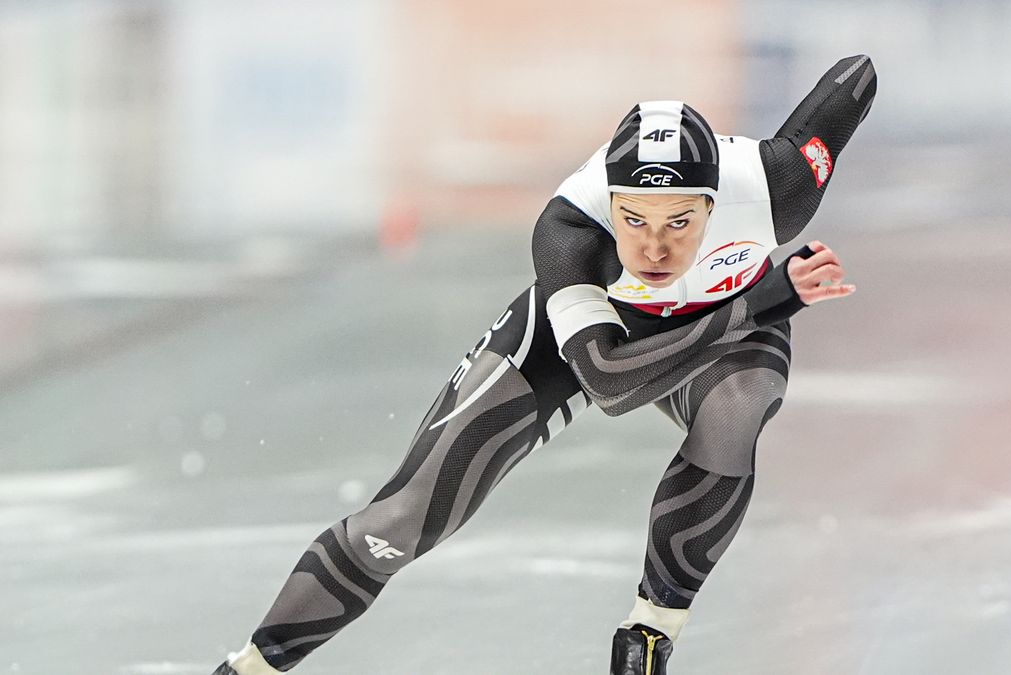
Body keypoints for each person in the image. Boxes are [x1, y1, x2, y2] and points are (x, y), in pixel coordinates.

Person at [212, 54, 877, 675]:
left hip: (729, 318)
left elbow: (853, 82)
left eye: (681, 222)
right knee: (404, 517)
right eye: (635, 219)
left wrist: (752, 306)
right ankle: (249, 667)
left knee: (739, 400)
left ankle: (647, 634)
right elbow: (610, 382)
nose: (654, 246)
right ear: (609, 204)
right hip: (617, 331)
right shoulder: (570, 232)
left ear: (716, 204)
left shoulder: (777, 187)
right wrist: (760, 302)